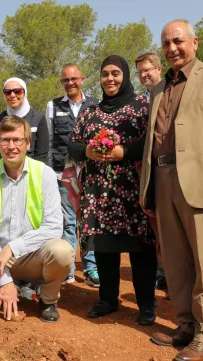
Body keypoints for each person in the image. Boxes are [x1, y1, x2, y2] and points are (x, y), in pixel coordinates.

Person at [140, 19, 203, 361]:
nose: (172, 48)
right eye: (166, 43)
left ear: (195, 42)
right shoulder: (158, 89)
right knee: (176, 262)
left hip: (202, 181)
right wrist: (149, 187)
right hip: (165, 180)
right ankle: (185, 325)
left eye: (178, 41)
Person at [0, 115, 73, 323]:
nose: (11, 146)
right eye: (5, 140)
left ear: (28, 144)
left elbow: (54, 227)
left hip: (31, 255)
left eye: (17, 140)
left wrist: (12, 247)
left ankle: (47, 299)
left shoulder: (44, 174)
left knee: (62, 251)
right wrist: (4, 281)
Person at [68, 55, 157, 326]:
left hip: (132, 190)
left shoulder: (143, 106)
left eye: (116, 73)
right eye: (105, 73)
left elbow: (154, 141)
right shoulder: (91, 111)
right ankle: (108, 299)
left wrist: (124, 152)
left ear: (126, 75)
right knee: (105, 248)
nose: (110, 79)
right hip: (99, 193)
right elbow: (73, 146)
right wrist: (88, 151)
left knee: (141, 250)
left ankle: (145, 305)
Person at [44, 64, 100, 287]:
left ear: (82, 79)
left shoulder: (95, 104)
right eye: (66, 80)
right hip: (62, 172)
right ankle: (67, 268)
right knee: (68, 223)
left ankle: (90, 268)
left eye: (74, 79)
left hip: (90, 173)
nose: (70, 83)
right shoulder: (53, 105)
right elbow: (48, 141)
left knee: (88, 222)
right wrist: (49, 171)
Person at [134, 52, 169, 298]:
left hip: (171, 171)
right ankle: (164, 274)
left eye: (148, 70)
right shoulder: (140, 102)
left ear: (159, 68)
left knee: (174, 229)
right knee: (155, 228)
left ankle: (177, 278)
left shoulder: (171, 92)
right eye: (141, 72)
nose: (145, 75)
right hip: (147, 173)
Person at [0, 78, 49, 164]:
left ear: (24, 93)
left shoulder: (38, 118)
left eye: (17, 91)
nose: (12, 95)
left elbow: (41, 154)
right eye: (7, 92)